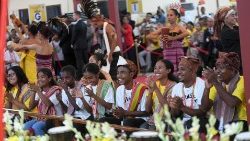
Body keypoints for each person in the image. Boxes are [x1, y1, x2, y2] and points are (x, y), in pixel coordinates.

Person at [202, 52, 247, 131]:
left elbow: (232, 103)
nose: (217, 71)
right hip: (219, 121)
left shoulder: (243, 80)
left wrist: (215, 82)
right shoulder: (217, 83)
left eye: (221, 68)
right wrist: (207, 88)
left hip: (239, 121)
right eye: (217, 67)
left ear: (233, 70)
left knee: (229, 126)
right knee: (199, 123)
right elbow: (204, 108)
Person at [81, 1, 121, 81]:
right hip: (111, 52)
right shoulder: (104, 27)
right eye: (93, 23)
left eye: (95, 23)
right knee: (110, 74)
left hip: (114, 53)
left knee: (113, 75)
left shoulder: (107, 27)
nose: (94, 25)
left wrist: (110, 54)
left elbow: (114, 40)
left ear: (99, 20)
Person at [168, 56, 207, 131]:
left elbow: (202, 113)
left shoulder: (203, 85)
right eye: (178, 69)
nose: (178, 72)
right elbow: (175, 115)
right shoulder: (177, 87)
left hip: (200, 122)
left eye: (182, 69)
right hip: (183, 121)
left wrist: (181, 106)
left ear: (193, 71)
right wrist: (174, 106)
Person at [24, 68, 63, 135]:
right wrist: (33, 91)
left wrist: (38, 91)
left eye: (42, 77)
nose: (39, 79)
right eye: (38, 77)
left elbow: (48, 103)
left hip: (54, 119)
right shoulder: (40, 91)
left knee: (36, 127)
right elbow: (31, 107)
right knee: (24, 127)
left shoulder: (56, 90)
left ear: (50, 79)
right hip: (41, 118)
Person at [142, 59, 177, 129]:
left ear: (168, 71)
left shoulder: (174, 86)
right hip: (153, 119)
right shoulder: (154, 84)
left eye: (160, 68)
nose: (156, 70)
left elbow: (167, 109)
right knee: (142, 129)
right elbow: (147, 109)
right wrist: (150, 92)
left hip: (166, 120)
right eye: (155, 68)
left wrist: (156, 89)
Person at [114, 59, 149, 128]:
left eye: (122, 72)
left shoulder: (142, 89)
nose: (119, 76)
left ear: (131, 74)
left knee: (127, 121)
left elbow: (145, 112)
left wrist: (126, 113)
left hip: (140, 119)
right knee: (104, 120)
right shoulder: (119, 89)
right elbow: (120, 109)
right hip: (125, 118)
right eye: (118, 73)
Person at [59, 65, 93, 132]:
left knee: (72, 127)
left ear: (74, 77)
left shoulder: (82, 88)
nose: (64, 81)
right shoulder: (64, 90)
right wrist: (60, 100)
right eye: (62, 78)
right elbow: (67, 108)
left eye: (67, 78)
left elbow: (77, 108)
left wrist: (66, 91)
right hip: (72, 117)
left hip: (84, 117)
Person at [214, 7, 242, 74]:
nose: (235, 17)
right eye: (232, 15)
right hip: (236, 64)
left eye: (235, 15)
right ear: (225, 18)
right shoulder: (226, 31)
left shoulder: (234, 28)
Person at [71, 11, 88, 80]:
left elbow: (74, 36)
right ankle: (88, 72)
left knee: (79, 62)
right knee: (85, 60)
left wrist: (72, 43)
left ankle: (80, 76)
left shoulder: (76, 25)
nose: (73, 17)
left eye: (73, 15)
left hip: (77, 45)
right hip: (84, 44)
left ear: (77, 15)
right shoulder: (84, 24)